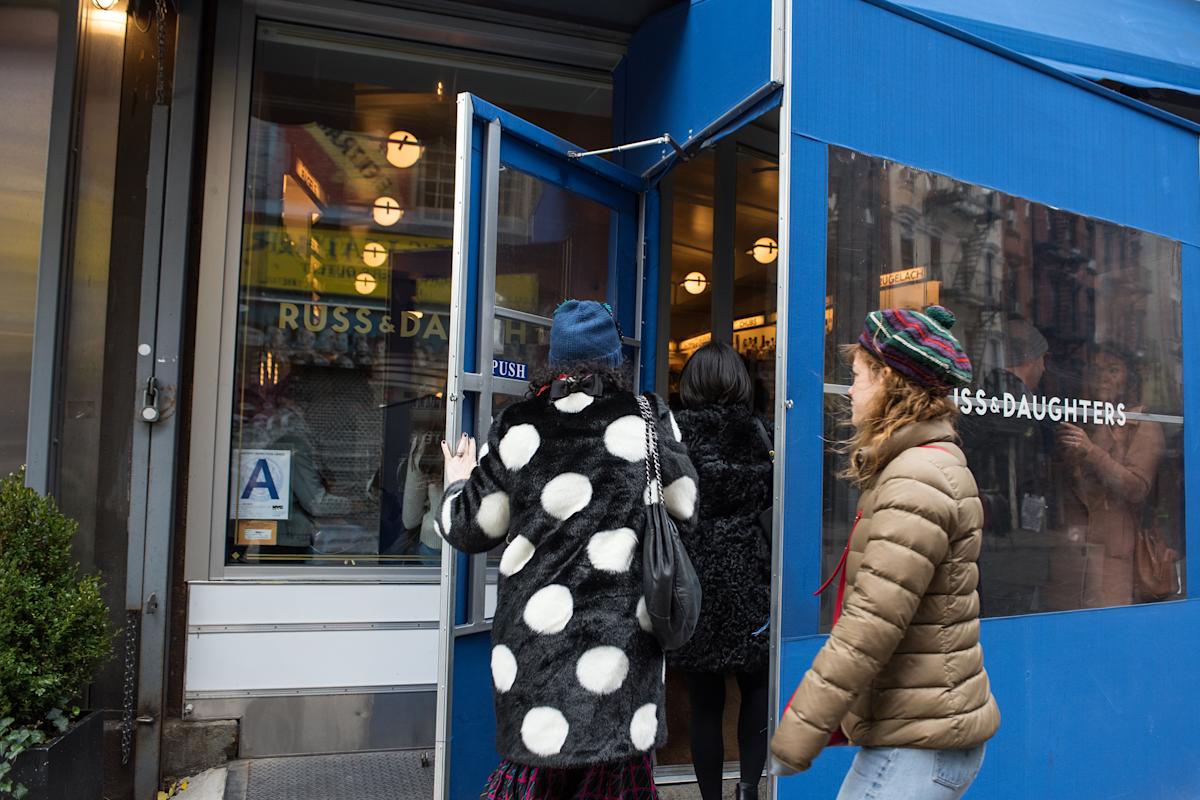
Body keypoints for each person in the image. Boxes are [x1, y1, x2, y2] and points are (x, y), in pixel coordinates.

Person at [439, 299, 699, 800]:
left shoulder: (519, 425)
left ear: (553, 359)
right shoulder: (647, 418)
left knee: (538, 775)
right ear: (612, 359)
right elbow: (685, 505)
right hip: (620, 644)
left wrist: (457, 482)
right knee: (615, 776)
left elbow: (470, 528)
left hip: (536, 644)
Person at [771, 305, 1000, 799]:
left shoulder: (916, 478)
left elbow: (869, 625)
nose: (849, 390)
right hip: (927, 729)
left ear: (890, 383)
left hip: (921, 741)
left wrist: (799, 729)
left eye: (857, 376)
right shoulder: (918, 467)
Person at [669, 342, 773, 800]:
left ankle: (710, 796)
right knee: (756, 692)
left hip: (693, 581)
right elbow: (770, 497)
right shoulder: (760, 435)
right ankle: (749, 788)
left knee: (705, 704)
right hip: (748, 574)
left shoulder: (671, 438)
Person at [1055, 344, 1165, 608]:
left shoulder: (1144, 424)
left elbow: (1136, 488)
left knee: (1108, 631)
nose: (1102, 376)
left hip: (1116, 553)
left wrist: (1091, 451)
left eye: (1113, 370)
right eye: (1096, 370)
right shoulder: (1086, 419)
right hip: (1075, 551)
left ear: (1129, 378)